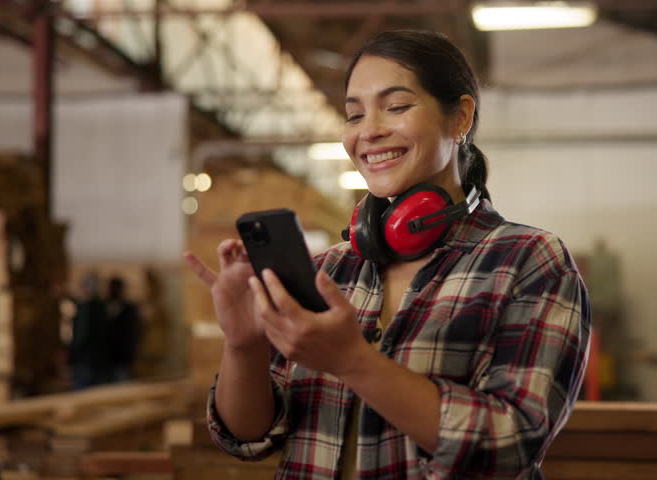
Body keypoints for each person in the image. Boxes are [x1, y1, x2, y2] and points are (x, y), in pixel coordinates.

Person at [184, 30, 591, 479]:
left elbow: (511, 441)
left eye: (396, 107)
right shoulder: (330, 270)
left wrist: (352, 361)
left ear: (460, 118)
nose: (370, 131)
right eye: (354, 114)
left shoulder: (528, 261)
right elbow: (249, 438)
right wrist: (243, 346)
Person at [107, 276, 142, 383]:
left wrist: (132, 357)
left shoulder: (129, 309)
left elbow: (132, 333)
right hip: (107, 358)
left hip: (123, 358)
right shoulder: (103, 307)